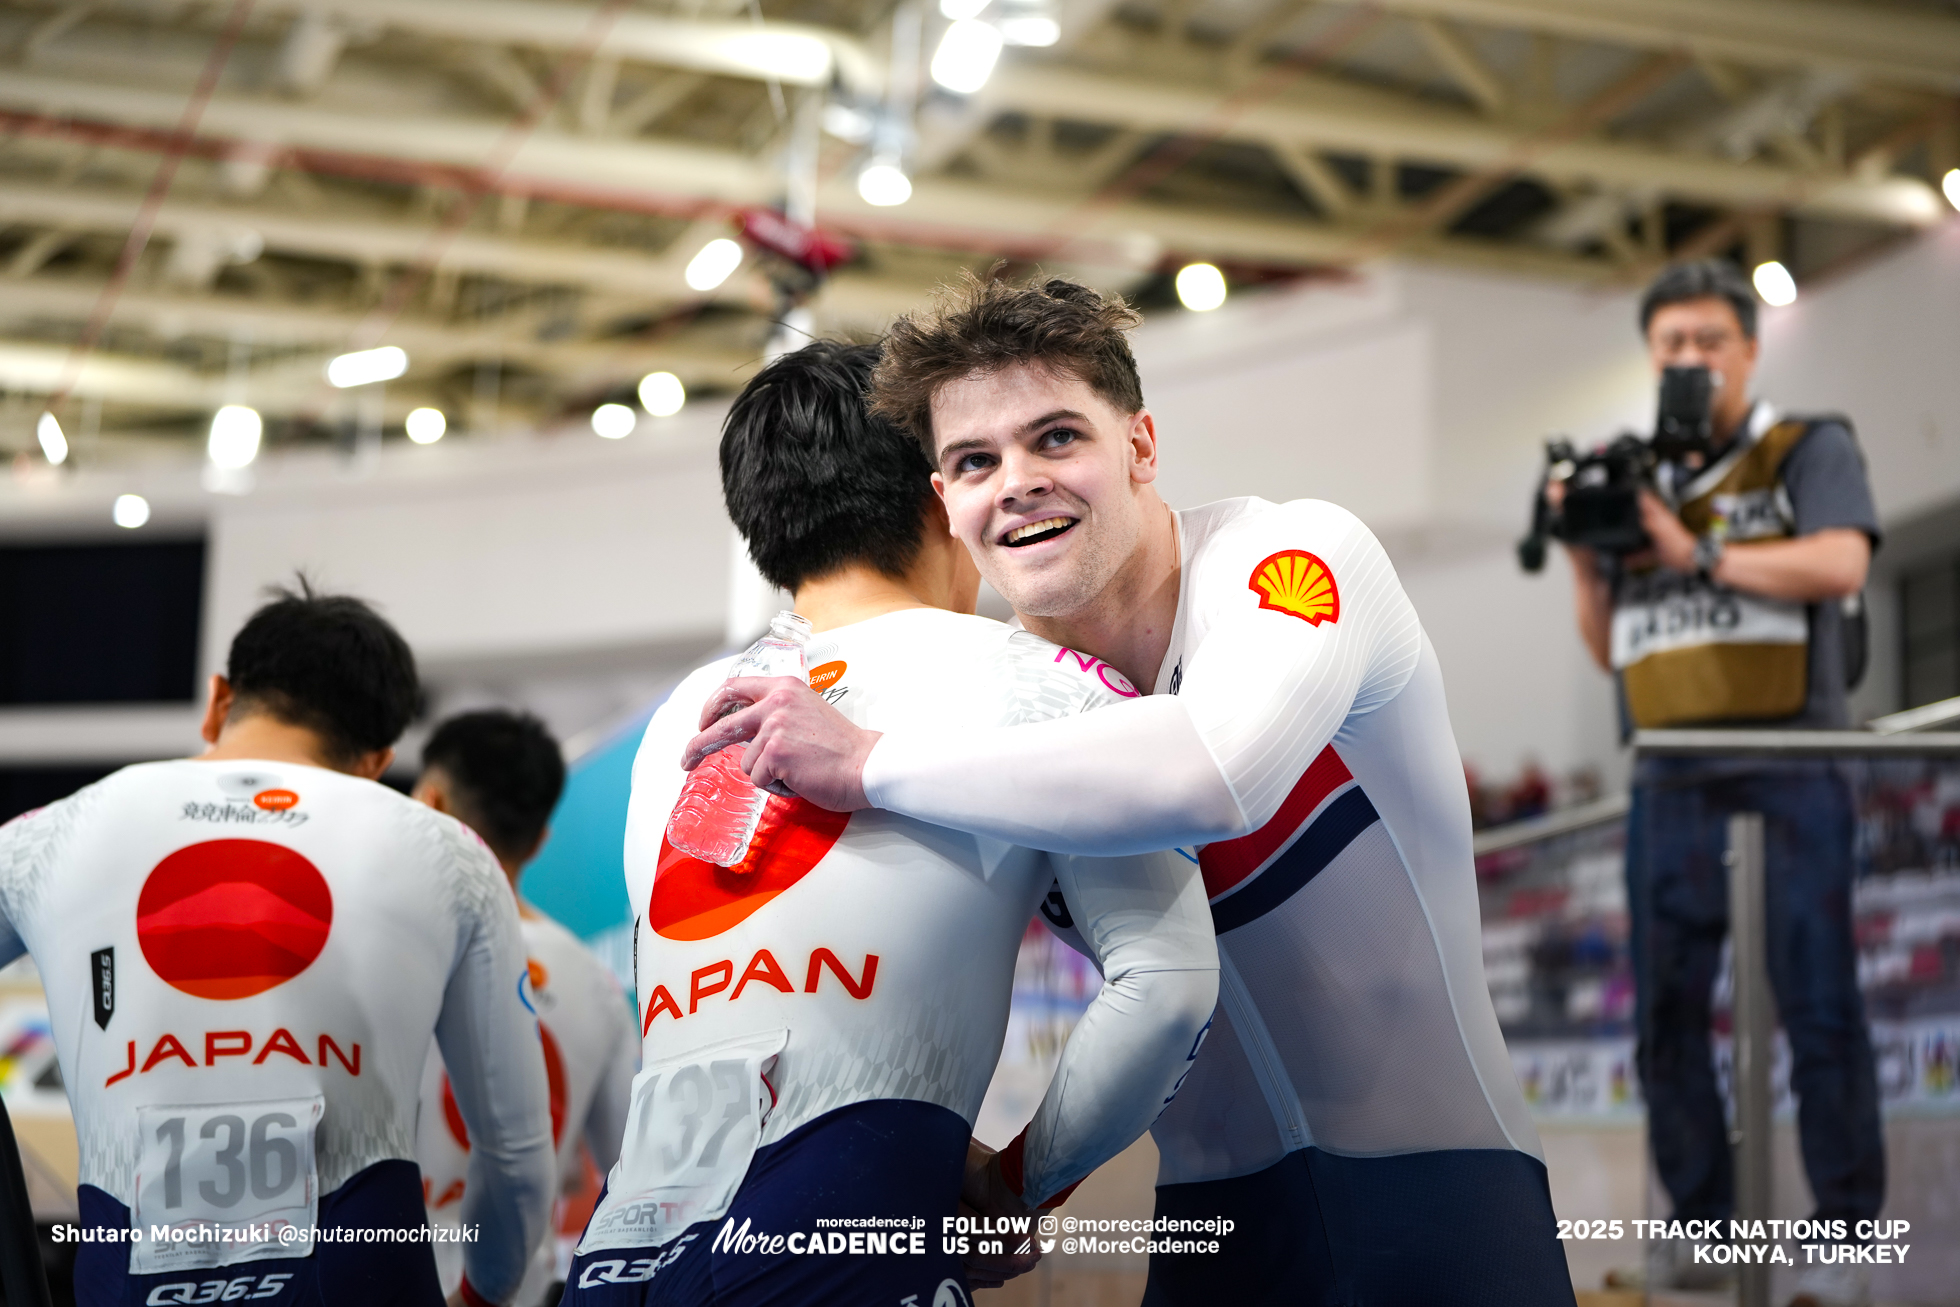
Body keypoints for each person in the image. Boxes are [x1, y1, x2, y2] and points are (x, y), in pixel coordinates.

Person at [682, 275, 1575, 1305]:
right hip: (1209, 1240)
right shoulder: (999, 705)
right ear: (945, 504)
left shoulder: (1288, 558)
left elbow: (1214, 770)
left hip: (1445, 1218)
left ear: (1141, 446)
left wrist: (868, 760)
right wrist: (977, 1167)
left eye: (1056, 438)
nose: (1015, 482)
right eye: (975, 461)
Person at [563, 340, 1218, 1305]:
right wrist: (1014, 1185)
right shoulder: (1036, 681)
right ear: (934, 495)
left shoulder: (682, 715)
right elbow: (1168, 985)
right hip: (846, 1237)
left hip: (621, 1252)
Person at [0, 584, 555, 1307]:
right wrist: (482, 1296)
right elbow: (514, 1157)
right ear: (380, 758)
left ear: (218, 699)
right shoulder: (445, 851)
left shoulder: (48, 836)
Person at [1558, 260, 1883, 1307]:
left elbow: (1840, 564)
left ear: (1747, 350)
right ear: (1649, 357)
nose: (1689, 361)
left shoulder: (1806, 443)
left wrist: (1690, 549)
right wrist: (1583, 555)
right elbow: (1610, 646)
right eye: (1670, 345)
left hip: (1790, 758)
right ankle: (1700, 1236)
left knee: (1818, 1005)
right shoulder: (1630, 474)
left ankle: (1847, 1250)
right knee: (1663, 1017)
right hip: (1669, 771)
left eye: (1708, 341)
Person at [412, 711, 638, 1307]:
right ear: (539, 840)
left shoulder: (387, 950)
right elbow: (632, 1173)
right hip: (510, 1291)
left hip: (367, 1278)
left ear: (430, 802)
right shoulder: (595, 984)